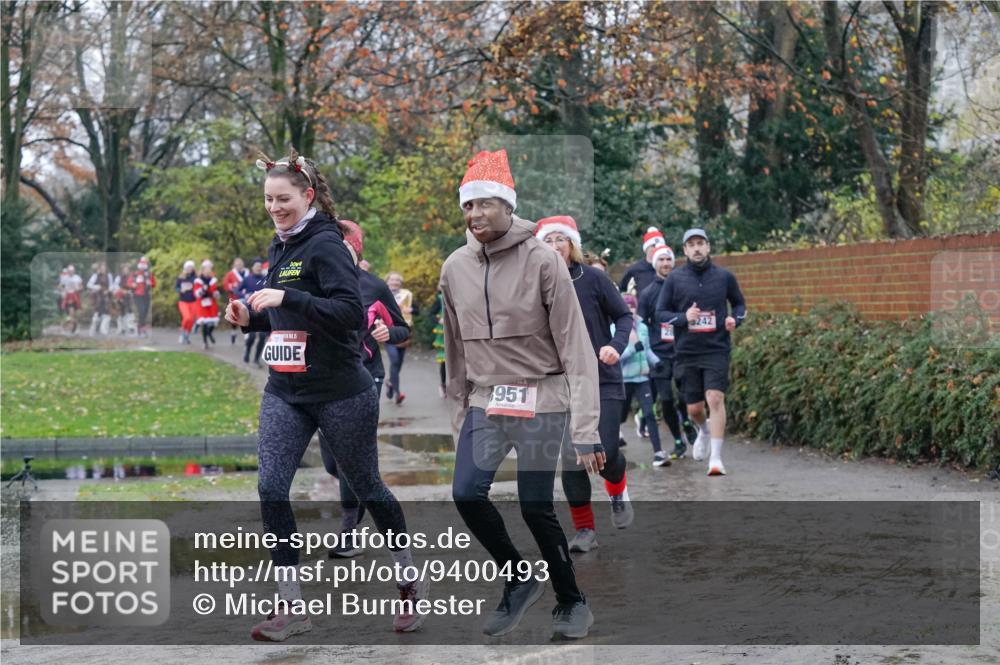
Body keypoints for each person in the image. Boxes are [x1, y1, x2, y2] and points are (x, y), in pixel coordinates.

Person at [225, 149, 427, 641]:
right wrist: (251, 317)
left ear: (308, 195)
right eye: (269, 199)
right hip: (286, 389)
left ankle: (407, 581)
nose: (275, 207)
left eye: (284, 199)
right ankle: (292, 608)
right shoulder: (280, 246)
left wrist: (287, 297)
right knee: (271, 488)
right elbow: (287, 318)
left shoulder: (326, 244)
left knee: (368, 488)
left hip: (340, 390)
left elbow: (348, 315)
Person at [442, 149, 598, 639]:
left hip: (542, 398)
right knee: (466, 492)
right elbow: (455, 351)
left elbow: (577, 349)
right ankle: (519, 578)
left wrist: (586, 429)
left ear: (509, 205)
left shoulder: (543, 261)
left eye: (486, 204)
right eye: (469, 206)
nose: (476, 215)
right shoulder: (454, 268)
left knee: (535, 507)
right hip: (487, 402)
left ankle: (572, 602)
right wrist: (458, 417)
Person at [536, 216, 635, 555]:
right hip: (559, 383)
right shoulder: (534, 283)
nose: (553, 247)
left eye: (559, 240)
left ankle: (618, 491)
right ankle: (585, 531)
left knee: (603, 450)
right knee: (572, 456)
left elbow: (624, 316)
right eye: (546, 241)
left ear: (571, 244)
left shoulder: (593, 278)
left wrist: (615, 346)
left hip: (602, 379)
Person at [318, 220, 411, 559]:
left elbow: (403, 329)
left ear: (354, 248)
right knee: (333, 461)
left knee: (346, 458)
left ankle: (348, 533)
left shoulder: (373, 286)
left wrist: (390, 332)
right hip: (324, 381)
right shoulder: (317, 282)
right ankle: (362, 486)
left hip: (364, 377)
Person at [654, 228, 747, 476]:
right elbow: (660, 313)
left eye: (700, 243)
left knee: (715, 398)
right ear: (684, 250)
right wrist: (684, 317)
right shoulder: (675, 279)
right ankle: (703, 431)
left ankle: (715, 459)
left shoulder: (724, 277)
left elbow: (739, 304)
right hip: (686, 351)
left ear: (708, 247)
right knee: (694, 409)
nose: (696, 248)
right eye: (691, 245)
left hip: (716, 348)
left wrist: (734, 320)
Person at [639, 245, 699, 459]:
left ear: (673, 262)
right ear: (655, 263)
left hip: (682, 349)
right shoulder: (647, 293)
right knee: (665, 399)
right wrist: (644, 350)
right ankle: (677, 440)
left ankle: (686, 422)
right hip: (659, 353)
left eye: (668, 260)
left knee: (685, 395)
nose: (665, 264)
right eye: (661, 260)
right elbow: (640, 322)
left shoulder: (682, 287)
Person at [617, 293, 668, 467]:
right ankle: (612, 442)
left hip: (642, 378)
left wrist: (657, 362)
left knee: (649, 414)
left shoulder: (643, 327)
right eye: (627, 306)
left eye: (632, 306)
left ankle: (659, 453)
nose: (630, 309)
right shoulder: (614, 327)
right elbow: (615, 356)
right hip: (624, 379)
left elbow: (646, 350)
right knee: (620, 417)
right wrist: (632, 349)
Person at [384, 271, 415, 405]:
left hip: (404, 332)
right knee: (395, 360)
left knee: (399, 362)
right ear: (387, 281)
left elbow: (417, 310)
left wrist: (412, 310)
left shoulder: (407, 295)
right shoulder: (382, 293)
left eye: (397, 280)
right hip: (388, 330)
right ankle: (397, 393)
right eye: (392, 280)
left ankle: (391, 383)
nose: (395, 282)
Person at [618, 227, 666, 296]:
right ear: (646, 249)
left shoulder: (670, 271)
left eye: (660, 246)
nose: (656, 248)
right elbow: (621, 293)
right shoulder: (633, 270)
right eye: (653, 246)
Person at [238, 258, 268, 366]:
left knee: (262, 337)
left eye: (260, 267)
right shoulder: (247, 279)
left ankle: (256, 359)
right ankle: (247, 353)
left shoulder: (266, 279)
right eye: (256, 266)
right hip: (250, 310)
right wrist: (244, 295)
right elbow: (237, 290)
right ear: (252, 268)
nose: (258, 268)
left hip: (263, 310)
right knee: (251, 336)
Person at [126, 256, 156, 337]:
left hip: (146, 295)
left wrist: (150, 283)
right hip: (137, 295)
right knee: (141, 311)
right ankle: (141, 328)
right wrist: (133, 285)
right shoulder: (135, 274)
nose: (143, 266)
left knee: (145, 313)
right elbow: (129, 283)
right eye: (142, 264)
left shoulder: (149, 274)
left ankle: (140, 327)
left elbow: (154, 284)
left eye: (145, 264)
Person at [194, 259, 220, 349]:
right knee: (204, 323)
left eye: (210, 269)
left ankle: (209, 333)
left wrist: (215, 293)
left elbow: (214, 291)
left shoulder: (213, 280)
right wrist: (203, 290)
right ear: (203, 269)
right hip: (202, 303)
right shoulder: (198, 280)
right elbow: (197, 293)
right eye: (207, 269)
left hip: (211, 303)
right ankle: (205, 342)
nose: (208, 270)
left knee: (213, 322)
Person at [223, 257, 248, 344]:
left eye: (240, 263)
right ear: (234, 265)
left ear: (243, 264)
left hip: (246, 297)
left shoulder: (247, 273)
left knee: (247, 314)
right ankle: (233, 332)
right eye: (237, 264)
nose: (239, 265)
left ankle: (247, 333)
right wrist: (232, 286)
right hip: (235, 298)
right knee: (234, 316)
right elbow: (225, 284)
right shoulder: (231, 274)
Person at [87, 262, 115, 336]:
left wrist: (108, 290)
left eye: (104, 267)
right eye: (101, 268)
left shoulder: (109, 275)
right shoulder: (95, 275)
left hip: (107, 296)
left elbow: (112, 285)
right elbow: (89, 284)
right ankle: (93, 330)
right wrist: (97, 287)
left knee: (107, 313)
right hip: (98, 296)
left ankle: (104, 330)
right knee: (97, 313)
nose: (103, 269)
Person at [175, 260, 198, 344]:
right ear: (185, 268)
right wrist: (181, 289)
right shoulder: (181, 277)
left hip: (193, 301)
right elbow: (176, 288)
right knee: (187, 317)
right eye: (188, 267)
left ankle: (187, 336)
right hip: (183, 301)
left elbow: (199, 287)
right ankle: (182, 334)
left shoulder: (195, 278)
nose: (190, 269)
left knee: (191, 320)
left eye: (191, 267)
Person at [429, 290, 447, 398]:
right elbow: (430, 313)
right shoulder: (440, 298)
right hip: (444, 334)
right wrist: (438, 320)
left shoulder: (461, 294)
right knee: (445, 360)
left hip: (459, 332)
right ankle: (443, 384)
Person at [58, 264, 83, 334]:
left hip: (75, 296)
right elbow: (60, 286)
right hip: (67, 297)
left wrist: (78, 288)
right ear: (68, 271)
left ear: (74, 271)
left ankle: (74, 328)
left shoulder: (77, 278)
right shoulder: (65, 278)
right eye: (69, 271)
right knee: (70, 313)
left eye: (72, 271)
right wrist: (63, 290)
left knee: (74, 314)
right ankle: (67, 328)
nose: (71, 272)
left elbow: (81, 287)